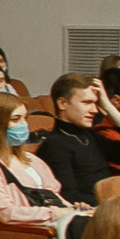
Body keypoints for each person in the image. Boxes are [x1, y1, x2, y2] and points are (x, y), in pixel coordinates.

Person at [0, 93, 89, 239]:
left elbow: (54, 195)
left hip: (63, 221)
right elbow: (5, 213)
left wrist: (75, 209)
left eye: (25, 118)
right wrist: (55, 213)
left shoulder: (31, 159)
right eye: (15, 119)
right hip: (37, 233)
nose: (23, 125)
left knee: (113, 221)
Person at [37, 73, 112, 207]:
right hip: (95, 212)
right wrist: (113, 204)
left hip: (110, 206)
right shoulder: (55, 144)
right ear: (62, 103)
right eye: (87, 103)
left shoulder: (89, 135)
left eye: (95, 103)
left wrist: (108, 106)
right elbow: (69, 195)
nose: (95, 110)